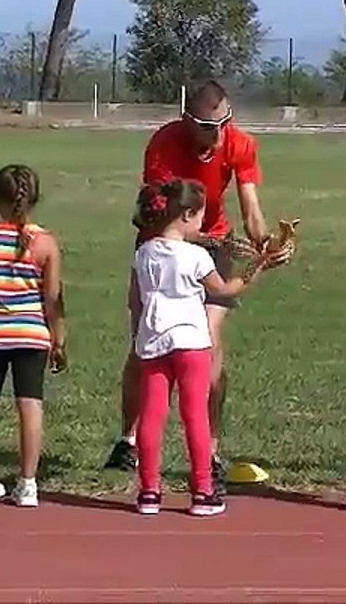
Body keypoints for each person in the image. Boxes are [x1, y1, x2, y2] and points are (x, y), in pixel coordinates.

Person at [104, 79, 292, 496]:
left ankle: (211, 451)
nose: (218, 134)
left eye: (224, 123)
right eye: (209, 126)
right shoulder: (165, 143)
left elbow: (251, 209)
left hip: (215, 246)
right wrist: (197, 240)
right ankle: (129, 439)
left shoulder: (239, 144)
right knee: (143, 343)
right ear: (188, 121)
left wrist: (265, 247)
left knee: (208, 342)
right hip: (162, 246)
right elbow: (155, 212)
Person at [130, 179, 274, 516]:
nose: (202, 226)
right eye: (199, 218)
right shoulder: (195, 256)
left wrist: (139, 331)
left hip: (153, 339)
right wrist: (257, 268)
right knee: (195, 415)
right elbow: (224, 291)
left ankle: (149, 491)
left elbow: (135, 299)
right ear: (187, 216)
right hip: (192, 341)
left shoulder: (144, 252)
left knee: (151, 416)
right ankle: (202, 491)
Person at [0, 165, 66, 508]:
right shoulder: (46, 243)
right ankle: (28, 483)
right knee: (30, 404)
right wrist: (58, 338)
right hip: (31, 333)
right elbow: (53, 299)